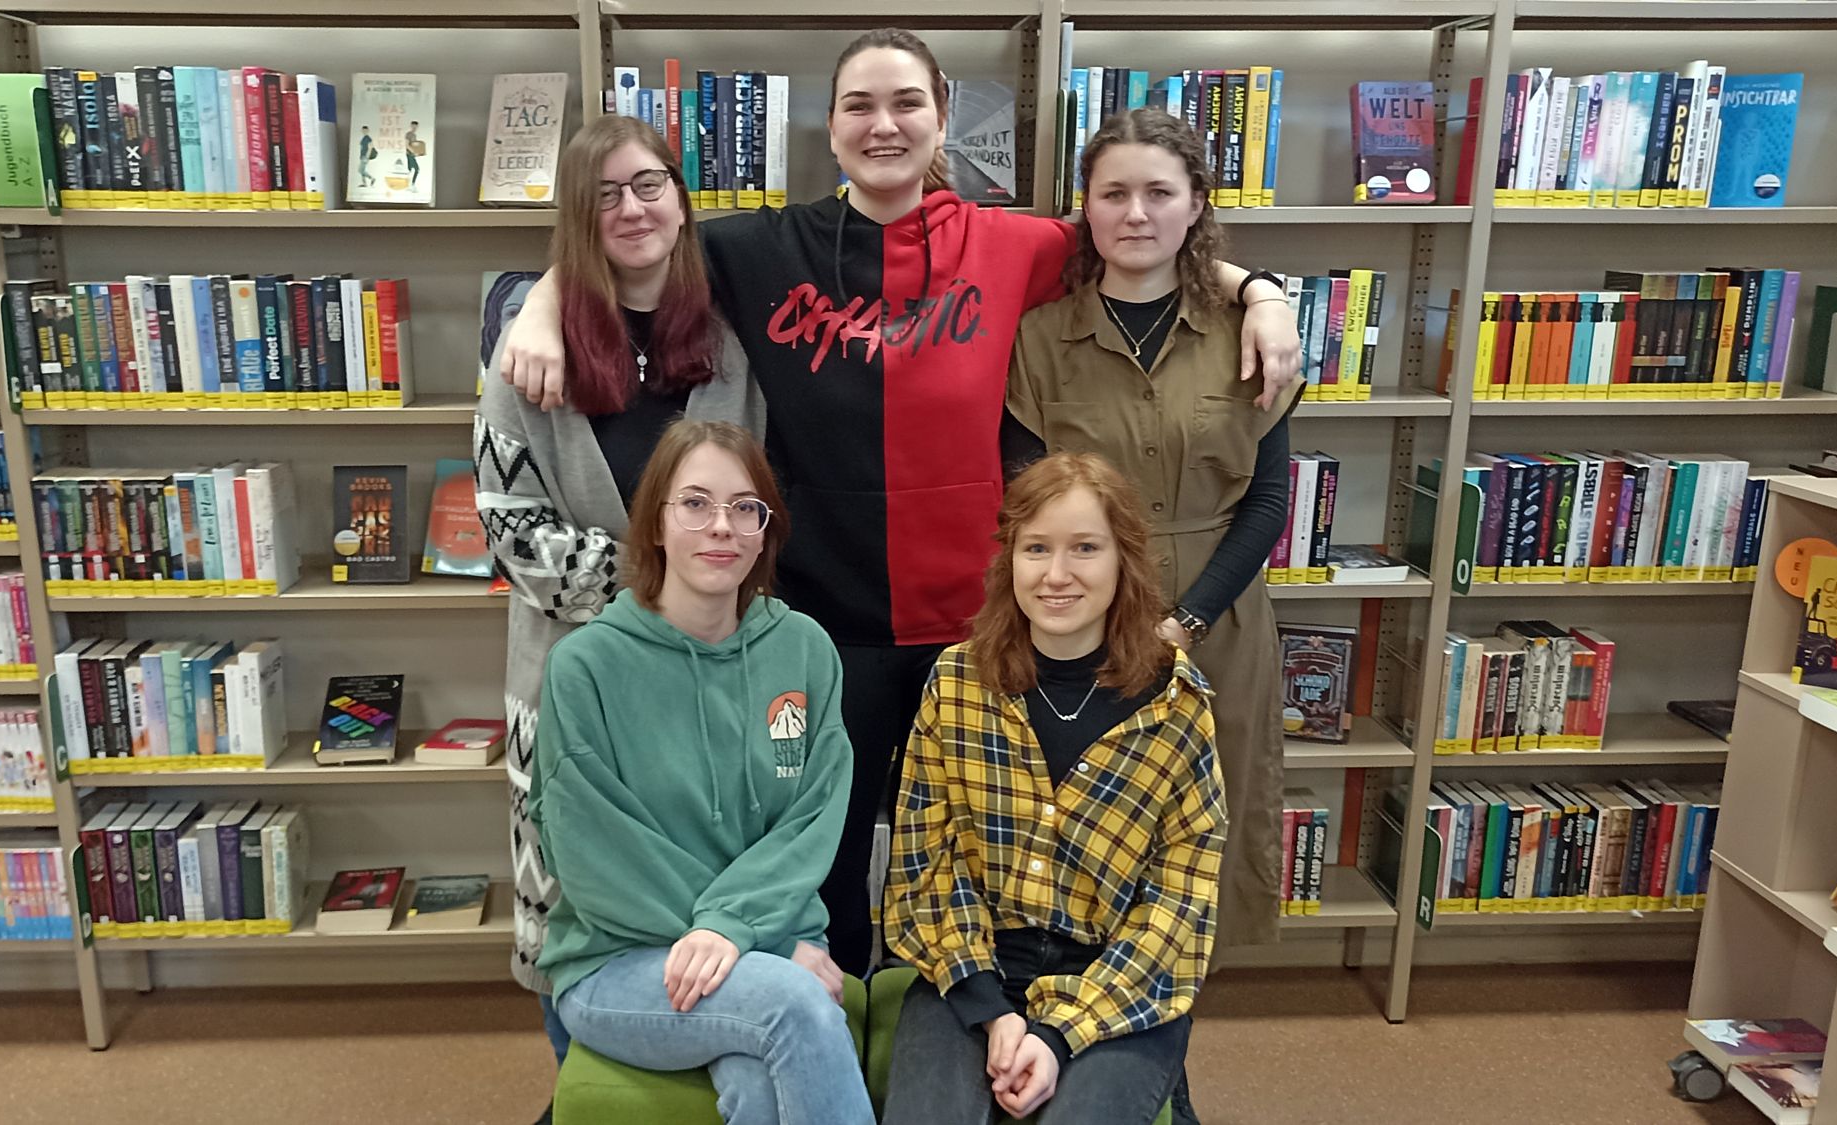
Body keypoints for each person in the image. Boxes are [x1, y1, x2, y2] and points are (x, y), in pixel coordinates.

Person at [500, 27, 1300, 976]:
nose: (885, 125)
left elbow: (1145, 242)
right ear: (830, 129)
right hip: (816, 625)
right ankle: (832, 1061)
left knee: (976, 859)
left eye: (907, 103)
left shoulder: (1014, 244)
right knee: (823, 858)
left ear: (943, 118)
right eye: (859, 107)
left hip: (978, 628)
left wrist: (1263, 293)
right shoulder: (760, 248)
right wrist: (540, 301)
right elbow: (633, 237)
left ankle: (963, 1046)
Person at [473, 114, 762, 1123]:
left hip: (703, 688)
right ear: (575, 219)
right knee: (577, 914)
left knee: (699, 900)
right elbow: (511, 527)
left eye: (648, 185)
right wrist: (669, 587)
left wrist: (696, 589)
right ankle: (584, 1092)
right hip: (570, 687)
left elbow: (751, 502)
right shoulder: (525, 354)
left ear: (681, 199)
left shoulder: (724, 351)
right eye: (603, 194)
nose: (631, 209)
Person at [1007, 107, 1302, 959]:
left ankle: (1167, 1069)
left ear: (1197, 204)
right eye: (1115, 193)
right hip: (1079, 632)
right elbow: (1025, 505)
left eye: (1159, 192)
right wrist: (1115, 629)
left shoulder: (1247, 335)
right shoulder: (1038, 340)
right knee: (1089, 841)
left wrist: (1188, 623)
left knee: (1200, 848)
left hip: (1222, 627)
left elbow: (1269, 501)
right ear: (1086, 211)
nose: (1137, 214)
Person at [530, 419, 870, 1125]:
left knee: (760, 1084)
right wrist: (756, 942)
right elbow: (594, 856)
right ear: (654, 521)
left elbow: (812, 819)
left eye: (746, 507)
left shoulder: (803, 650)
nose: (723, 527)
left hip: (759, 943)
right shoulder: (584, 668)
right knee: (794, 1006)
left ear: (766, 529)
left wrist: (743, 935)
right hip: (618, 959)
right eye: (695, 503)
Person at [881, 452, 1225, 1125]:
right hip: (971, 969)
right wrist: (993, 1013)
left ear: (1122, 560)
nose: (1057, 574)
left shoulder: (1177, 704)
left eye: (1085, 548)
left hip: (1116, 981)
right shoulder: (956, 683)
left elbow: (1179, 907)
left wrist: (1061, 1031)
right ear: (1009, 560)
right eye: (1036, 548)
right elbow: (924, 867)